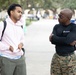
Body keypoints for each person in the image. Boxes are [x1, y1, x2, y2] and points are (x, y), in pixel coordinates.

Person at [0, 4, 26, 75]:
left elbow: (22, 39)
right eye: (18, 12)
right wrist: (8, 47)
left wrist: (21, 43)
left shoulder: (20, 26)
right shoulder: (3, 25)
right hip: (6, 59)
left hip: (20, 58)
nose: (20, 14)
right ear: (11, 12)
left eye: (21, 12)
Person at [49, 8, 76, 75]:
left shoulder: (74, 27)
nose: (58, 18)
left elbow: (68, 40)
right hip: (57, 58)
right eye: (59, 15)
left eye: (61, 16)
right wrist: (67, 40)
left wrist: (57, 38)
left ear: (68, 18)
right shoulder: (56, 27)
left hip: (70, 59)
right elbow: (52, 40)